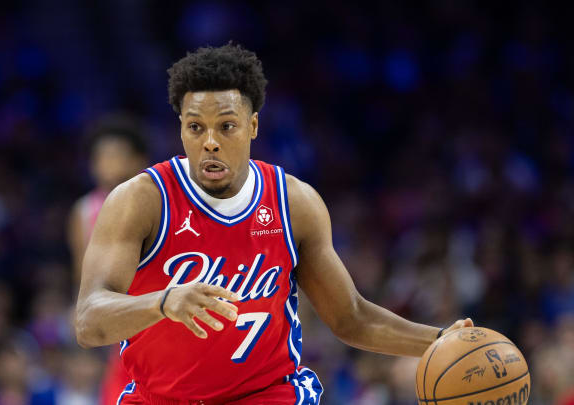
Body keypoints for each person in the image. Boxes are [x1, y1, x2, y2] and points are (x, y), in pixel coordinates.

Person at [75, 43, 473, 404]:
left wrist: (440, 341)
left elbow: (350, 317)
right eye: (195, 127)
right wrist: (163, 302)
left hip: (266, 395)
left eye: (226, 126)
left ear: (252, 126)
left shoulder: (294, 203)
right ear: (181, 128)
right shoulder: (140, 200)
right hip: (161, 397)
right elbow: (89, 321)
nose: (210, 141)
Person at [67, 116, 148, 405]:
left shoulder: (155, 203)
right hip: (114, 313)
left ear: (138, 160)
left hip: (152, 308)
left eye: (115, 155)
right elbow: (81, 274)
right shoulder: (84, 210)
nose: (107, 162)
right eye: (100, 156)